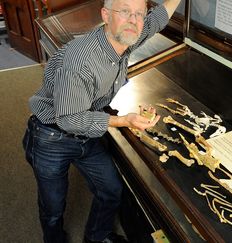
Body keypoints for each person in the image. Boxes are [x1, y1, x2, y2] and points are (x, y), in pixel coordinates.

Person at [22, 0, 181, 242]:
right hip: (51, 137)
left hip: (87, 133)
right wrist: (125, 120)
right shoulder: (81, 61)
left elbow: (157, 18)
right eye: (125, 11)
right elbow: (69, 119)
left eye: (139, 14)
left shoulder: (127, 35)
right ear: (105, 15)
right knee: (53, 206)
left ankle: (97, 237)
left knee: (111, 190)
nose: (133, 20)